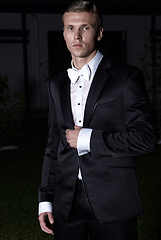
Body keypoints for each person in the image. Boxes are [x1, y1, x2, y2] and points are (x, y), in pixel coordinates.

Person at [38, 0, 156, 239]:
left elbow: (146, 138)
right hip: (66, 201)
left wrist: (89, 139)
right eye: (70, 28)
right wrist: (45, 200)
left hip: (113, 202)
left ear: (99, 32)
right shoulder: (56, 84)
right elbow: (53, 145)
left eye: (85, 28)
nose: (77, 35)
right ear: (63, 33)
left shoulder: (126, 78)